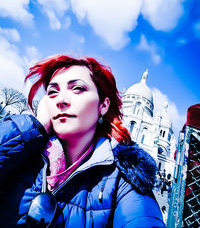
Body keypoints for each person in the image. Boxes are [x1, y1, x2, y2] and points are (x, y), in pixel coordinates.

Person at [0, 54, 165, 227]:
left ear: (103, 105)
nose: (61, 100)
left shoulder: (124, 182)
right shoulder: (21, 152)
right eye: (52, 92)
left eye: (78, 88)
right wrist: (34, 127)